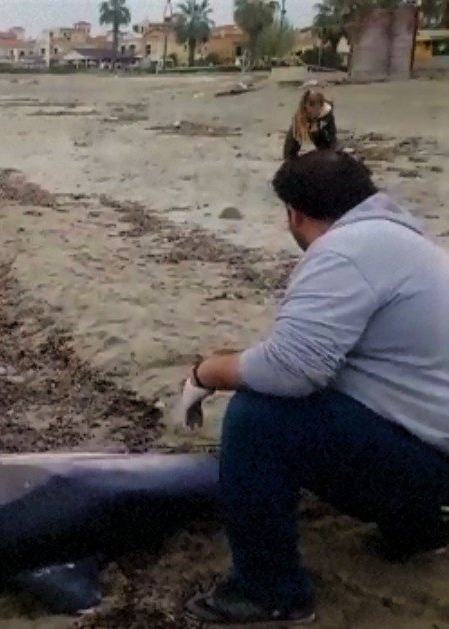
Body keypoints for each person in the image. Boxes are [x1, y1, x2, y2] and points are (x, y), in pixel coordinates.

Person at [174, 151, 449, 625]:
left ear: (295, 214)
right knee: (356, 392)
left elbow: (291, 370)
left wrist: (205, 374)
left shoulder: (345, 252)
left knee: (258, 418)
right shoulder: (407, 241)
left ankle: (269, 591)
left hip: (426, 466)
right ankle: (418, 529)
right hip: (434, 451)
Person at [283, 88, 337, 159]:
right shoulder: (301, 115)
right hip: (305, 123)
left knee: (327, 145)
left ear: (321, 106)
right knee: (292, 141)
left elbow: (332, 135)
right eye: (311, 110)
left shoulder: (327, 113)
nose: (315, 113)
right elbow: (291, 139)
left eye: (317, 110)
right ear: (306, 106)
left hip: (324, 137)